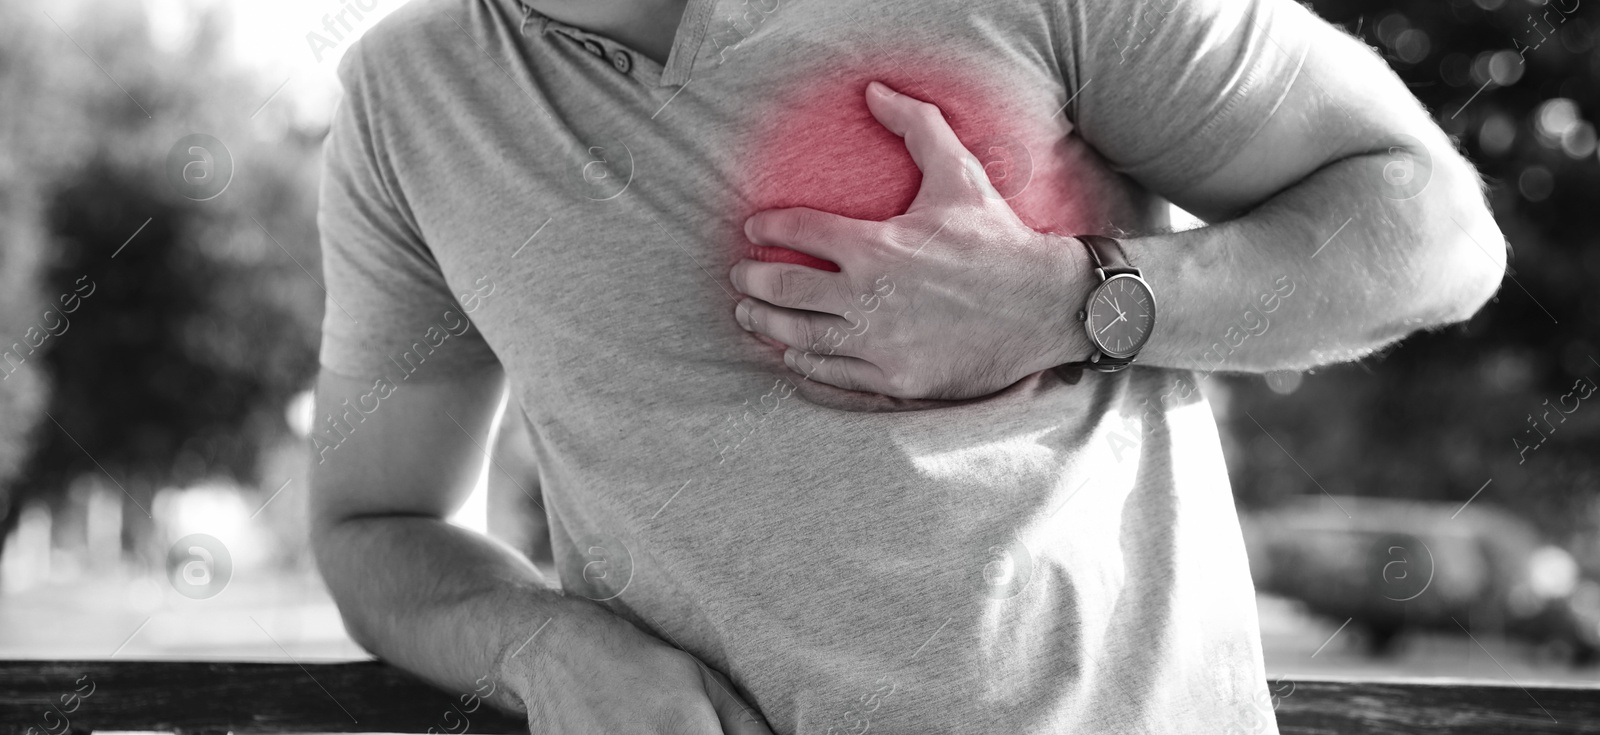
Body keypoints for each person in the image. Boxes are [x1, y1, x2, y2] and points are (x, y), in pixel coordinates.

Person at [306, 0, 1506, 732]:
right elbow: (376, 524)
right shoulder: (403, 97)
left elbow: (1436, 235)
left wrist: (1069, 298)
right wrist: (537, 645)